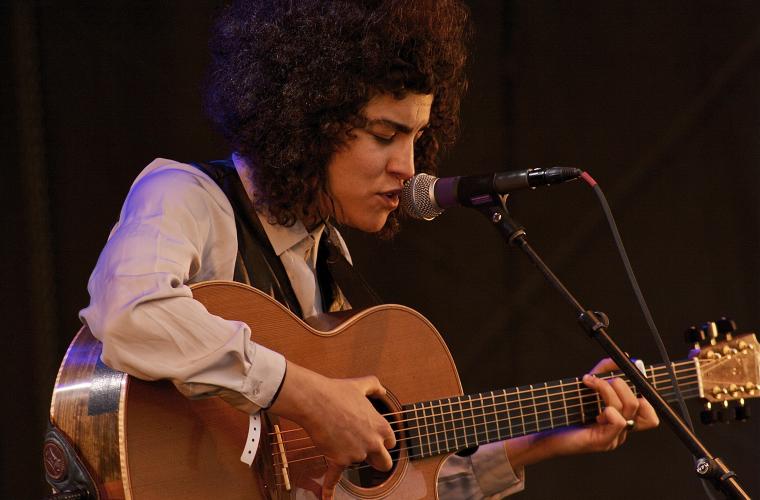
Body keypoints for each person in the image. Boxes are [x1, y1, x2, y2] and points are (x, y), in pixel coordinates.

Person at [79, 1, 659, 498]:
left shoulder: (329, 261)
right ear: (308, 122)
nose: (409, 167)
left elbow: (368, 488)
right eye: (385, 135)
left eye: (418, 137)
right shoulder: (187, 197)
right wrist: (307, 396)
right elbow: (131, 312)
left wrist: (539, 441)